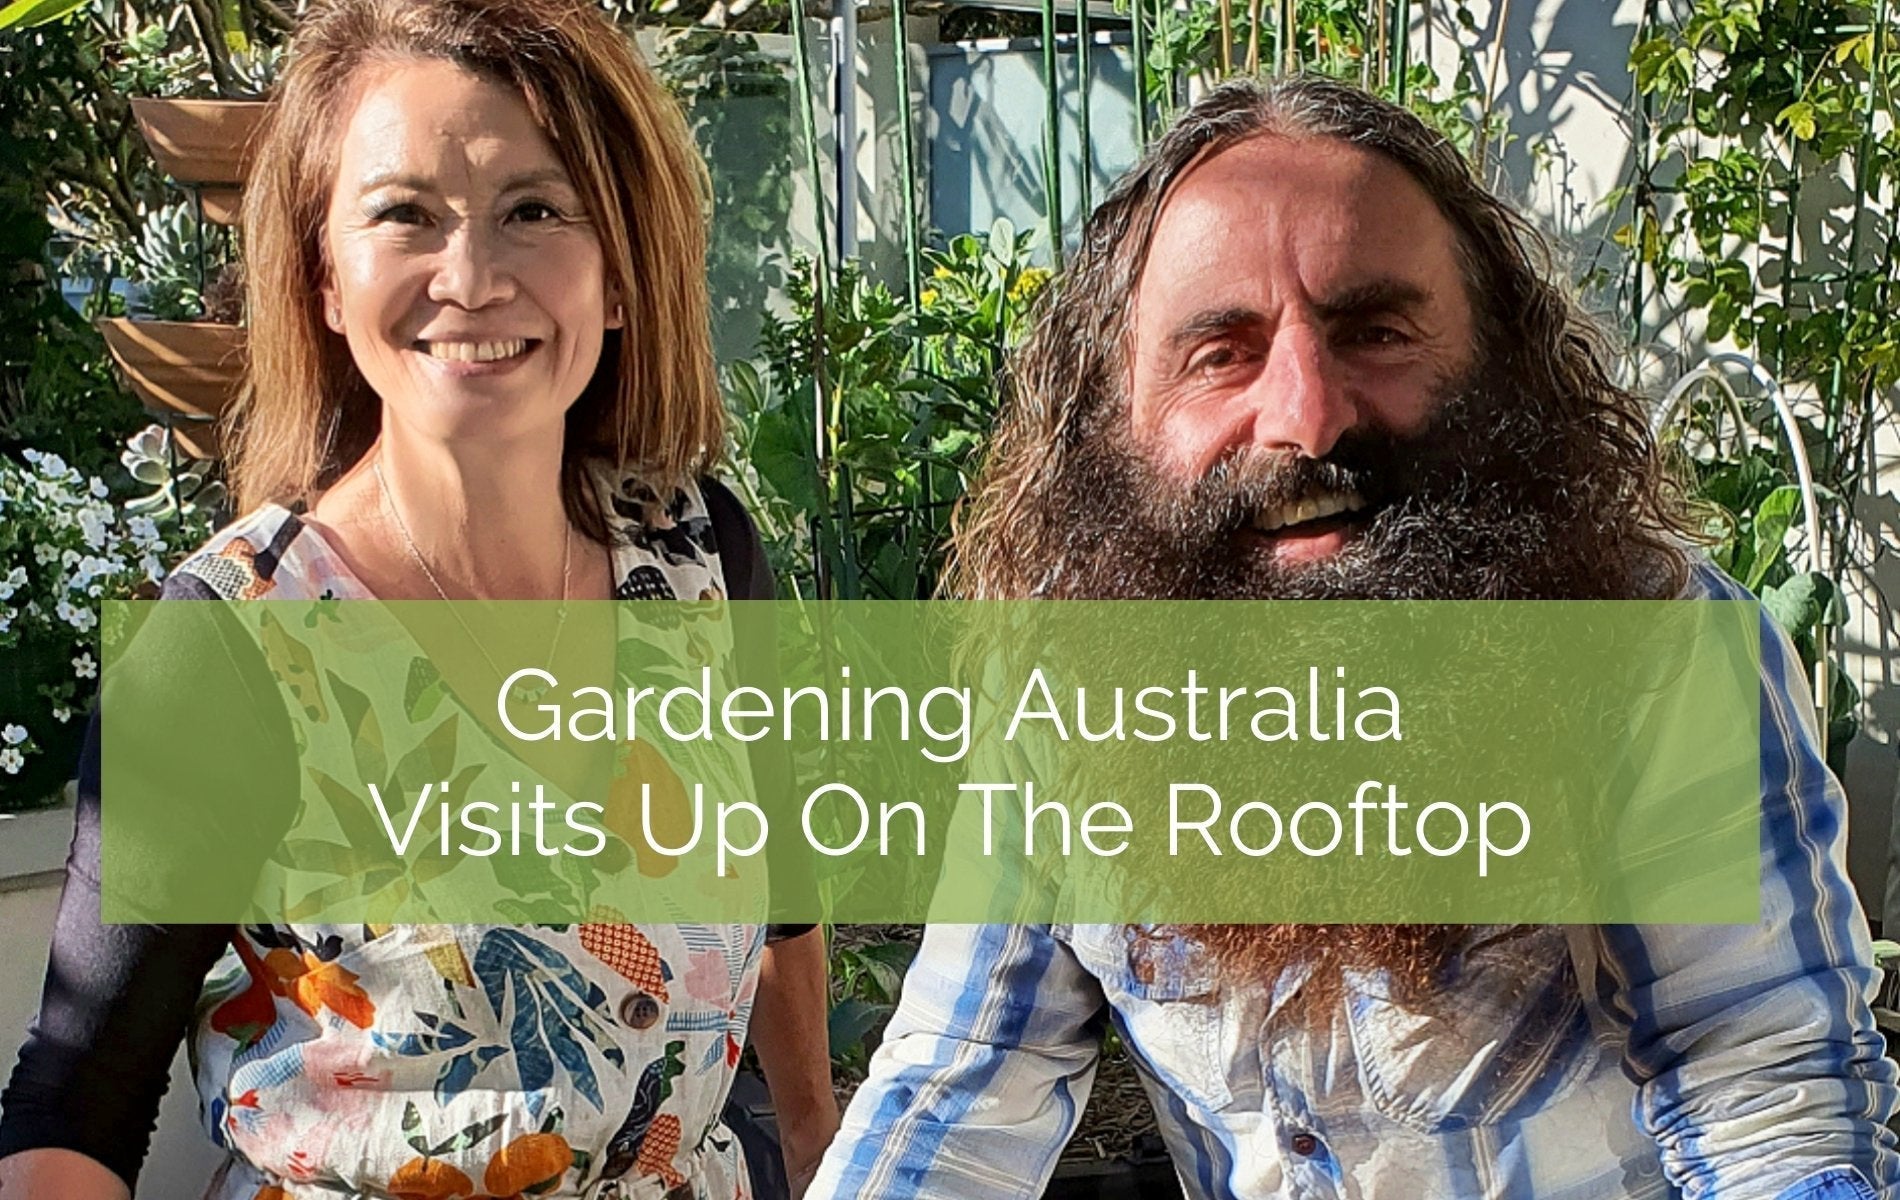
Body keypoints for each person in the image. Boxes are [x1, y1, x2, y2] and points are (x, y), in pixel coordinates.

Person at [808, 76, 1900, 1200]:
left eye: (1375, 330)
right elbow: (955, 1088)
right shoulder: (1066, 676)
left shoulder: (1655, 652)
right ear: (1114, 417)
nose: (1306, 414)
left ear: (1497, 369)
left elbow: (1769, 1095)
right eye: (1221, 353)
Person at [0, 1, 839, 1197]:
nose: (471, 277)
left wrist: (814, 1139)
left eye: (535, 211)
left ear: (619, 276)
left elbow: (785, 884)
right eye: (404, 215)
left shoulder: (701, 557)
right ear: (326, 281)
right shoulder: (231, 646)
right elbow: (77, 1095)